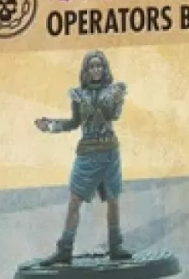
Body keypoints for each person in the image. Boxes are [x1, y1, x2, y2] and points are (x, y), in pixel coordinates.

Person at [34, 50, 131, 264]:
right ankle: (64, 250)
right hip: (87, 153)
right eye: (92, 66)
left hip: (109, 152)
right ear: (86, 70)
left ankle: (116, 246)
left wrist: (118, 100)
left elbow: (113, 116)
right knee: (74, 201)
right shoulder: (78, 95)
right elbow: (74, 122)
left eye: (99, 66)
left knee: (113, 199)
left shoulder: (113, 90)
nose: (96, 70)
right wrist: (50, 126)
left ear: (104, 68)